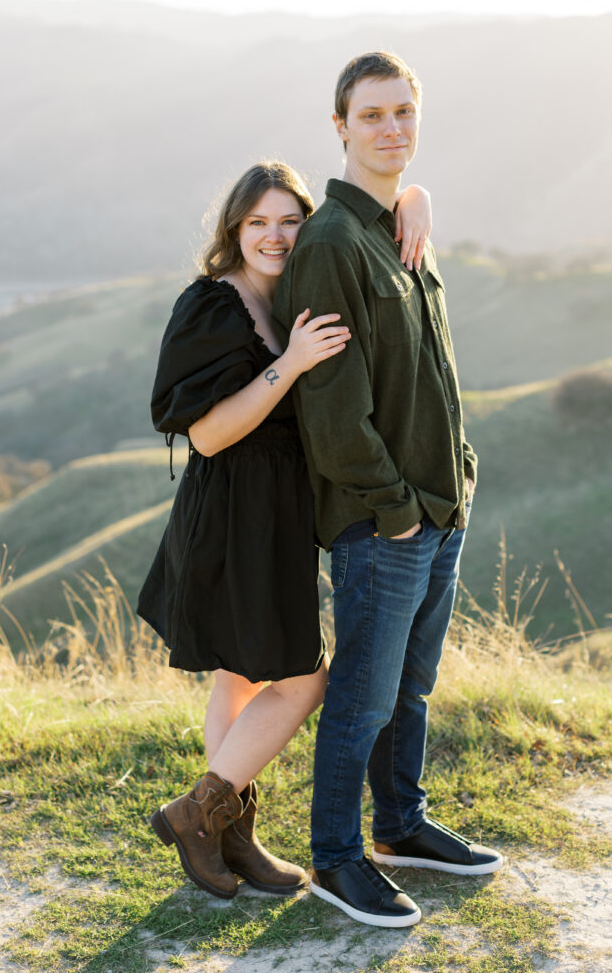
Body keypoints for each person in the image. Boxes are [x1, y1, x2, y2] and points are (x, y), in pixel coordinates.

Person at [137, 160, 432, 901]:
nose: (273, 236)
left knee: (239, 673)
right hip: (234, 516)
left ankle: (231, 836)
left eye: (288, 221)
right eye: (256, 223)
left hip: (276, 514)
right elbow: (205, 435)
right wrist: (292, 364)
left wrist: (417, 199)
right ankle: (198, 813)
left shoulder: (287, 294)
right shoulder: (213, 304)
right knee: (303, 681)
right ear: (233, 230)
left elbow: (376, 192)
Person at [273, 51, 503, 930]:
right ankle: (337, 857)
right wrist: (398, 509)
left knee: (409, 686)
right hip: (383, 521)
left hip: (440, 504)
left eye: (403, 111)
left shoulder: (398, 222)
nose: (391, 128)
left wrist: (451, 485)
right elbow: (331, 411)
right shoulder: (330, 244)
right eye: (371, 116)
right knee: (365, 694)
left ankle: (400, 827)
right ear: (339, 127)